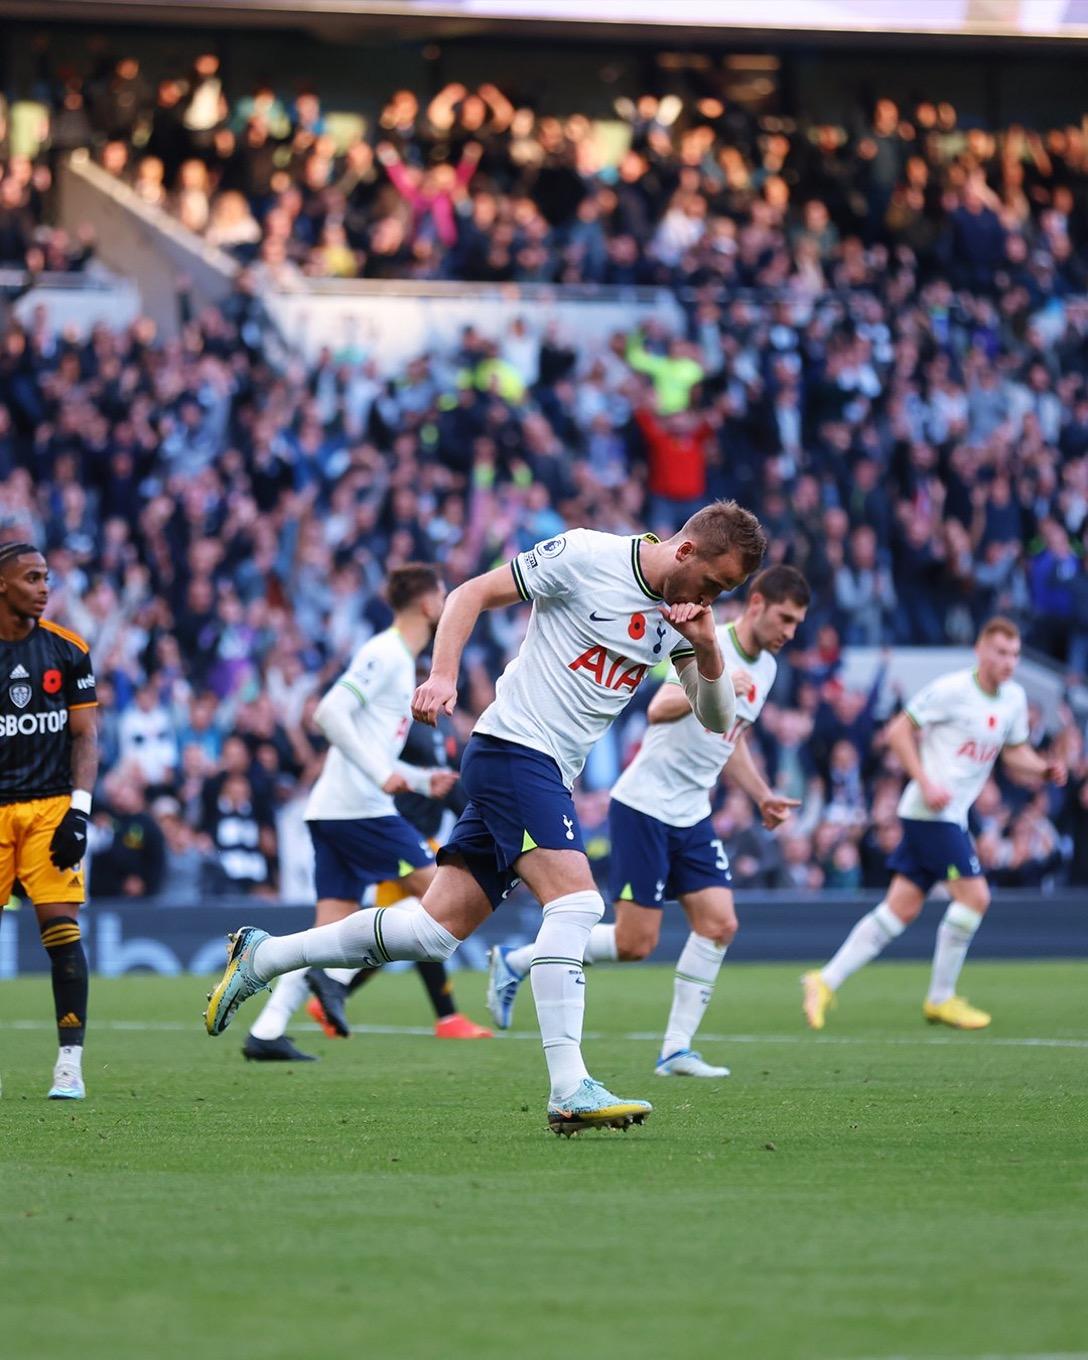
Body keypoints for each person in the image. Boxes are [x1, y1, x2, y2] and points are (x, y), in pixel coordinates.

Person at [205, 501, 767, 1134]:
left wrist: (708, 649)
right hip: (513, 750)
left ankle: (265, 955)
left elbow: (718, 719)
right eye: (716, 584)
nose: (713, 599)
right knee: (577, 904)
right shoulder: (586, 556)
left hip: (547, 770)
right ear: (687, 551)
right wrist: (443, 675)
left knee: (433, 932)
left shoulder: (685, 621)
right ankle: (569, 1085)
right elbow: (471, 592)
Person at [487, 565, 809, 1077]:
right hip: (644, 805)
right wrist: (717, 678)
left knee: (720, 924)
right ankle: (516, 961)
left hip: (692, 810)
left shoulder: (765, 667)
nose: (790, 633)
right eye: (785, 619)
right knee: (635, 944)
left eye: (797, 624)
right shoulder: (707, 639)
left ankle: (675, 1050)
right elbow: (658, 707)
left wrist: (762, 794)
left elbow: (733, 737)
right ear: (757, 605)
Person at [241, 564, 466, 1062]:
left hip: (335, 809)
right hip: (357, 809)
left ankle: (266, 1032)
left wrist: (424, 781)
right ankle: (335, 977)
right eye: (444, 594)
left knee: (323, 935)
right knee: (444, 900)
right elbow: (328, 713)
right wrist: (379, 776)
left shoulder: (401, 661)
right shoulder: (385, 652)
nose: (448, 602)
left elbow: (371, 744)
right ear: (428, 604)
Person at [803, 618, 1066, 1032]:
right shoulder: (952, 690)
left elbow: (1014, 753)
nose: (1009, 662)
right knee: (975, 897)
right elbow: (897, 731)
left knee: (898, 910)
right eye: (1001, 652)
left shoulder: (1013, 699)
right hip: (930, 811)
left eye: (1015, 654)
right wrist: (925, 781)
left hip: (949, 814)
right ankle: (940, 998)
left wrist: (1043, 769)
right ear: (980, 651)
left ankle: (823, 980)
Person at [304, 711, 493, 1045]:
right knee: (425, 919)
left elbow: (445, 784)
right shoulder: (400, 721)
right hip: (398, 836)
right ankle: (446, 1016)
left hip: (423, 839)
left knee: (400, 932)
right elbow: (382, 767)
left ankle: (333, 987)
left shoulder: (444, 726)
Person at [0, 542, 99, 1099]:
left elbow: (85, 735)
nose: (44, 587)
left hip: (48, 807)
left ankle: (69, 1064)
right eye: (32, 578)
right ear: (3, 586)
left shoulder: (67, 651)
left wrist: (78, 813)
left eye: (46, 577)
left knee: (61, 932)